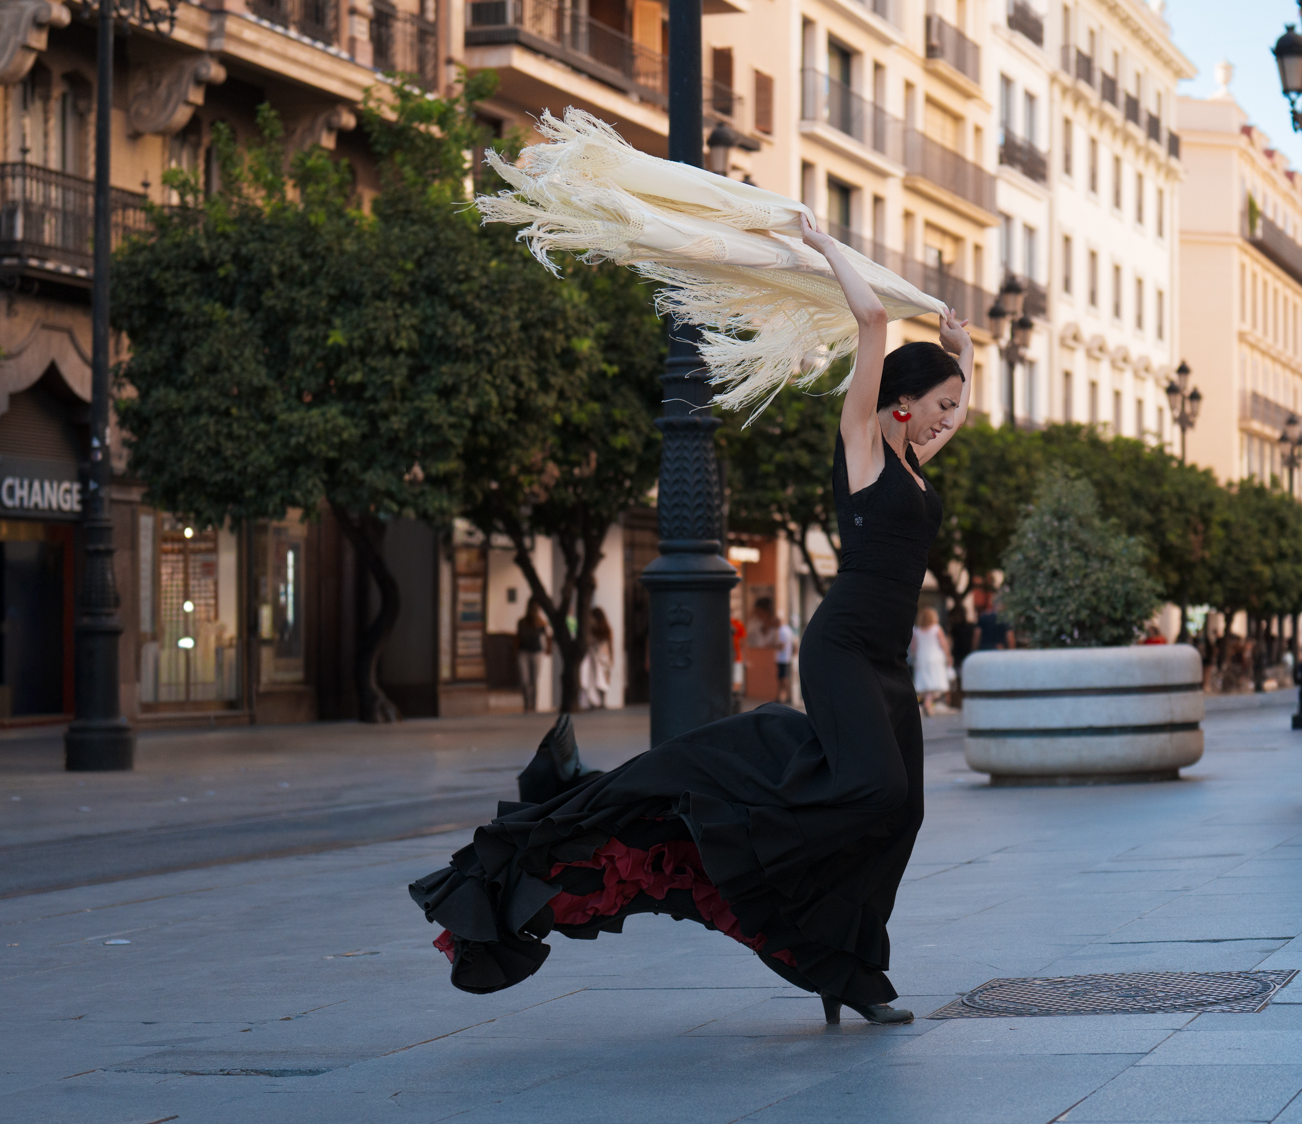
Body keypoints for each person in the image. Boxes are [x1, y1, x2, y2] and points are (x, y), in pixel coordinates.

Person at [411, 219, 972, 1027]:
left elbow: (954, 417)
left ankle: (840, 964)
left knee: (902, 809)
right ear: (900, 404)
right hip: (845, 647)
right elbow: (875, 324)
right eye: (940, 405)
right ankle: (783, 901)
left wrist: (963, 352)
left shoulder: (916, 471)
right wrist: (825, 249)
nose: (948, 418)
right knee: (871, 788)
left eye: (953, 407)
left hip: (886, 664)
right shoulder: (865, 449)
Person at [753, 596, 798, 705]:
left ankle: (786, 696)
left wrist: (772, 645)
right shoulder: (787, 629)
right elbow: (794, 644)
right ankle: (782, 696)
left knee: (783, 678)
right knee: (782, 678)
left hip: (782, 658)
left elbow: (781, 646)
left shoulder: (782, 631)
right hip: (785, 657)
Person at [909, 607, 951, 715]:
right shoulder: (936, 628)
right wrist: (949, 657)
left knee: (926, 682)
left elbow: (913, 647)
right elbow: (944, 644)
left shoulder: (917, 630)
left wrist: (914, 658)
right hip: (935, 657)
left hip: (922, 657)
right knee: (934, 682)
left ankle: (927, 703)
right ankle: (928, 703)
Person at [515, 602, 551, 713]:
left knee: (534, 679)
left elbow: (548, 636)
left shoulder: (541, 623)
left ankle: (534, 706)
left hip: (536, 652)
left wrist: (548, 649)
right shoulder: (522, 622)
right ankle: (527, 704)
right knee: (525, 680)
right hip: (523, 651)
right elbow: (517, 637)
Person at [579, 606, 615, 708]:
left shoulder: (597, 630)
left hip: (600, 658)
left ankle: (598, 702)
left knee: (598, 680)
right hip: (601, 658)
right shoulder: (603, 629)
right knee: (599, 680)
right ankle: (599, 702)